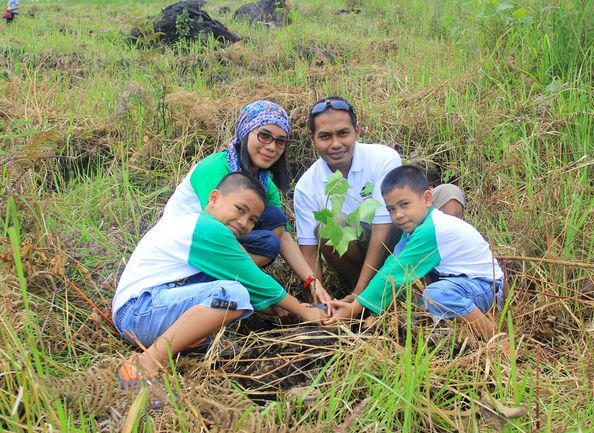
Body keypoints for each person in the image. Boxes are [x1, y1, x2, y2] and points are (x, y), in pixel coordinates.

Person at [113, 173, 327, 387]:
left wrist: (278, 310)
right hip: (138, 311)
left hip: (150, 310)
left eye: (253, 220)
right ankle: (144, 364)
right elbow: (257, 281)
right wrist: (303, 311)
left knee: (231, 321)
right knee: (233, 295)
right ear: (214, 198)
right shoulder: (205, 228)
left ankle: (193, 343)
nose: (244, 223)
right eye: (240, 209)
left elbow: (249, 284)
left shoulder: (203, 229)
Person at [163, 99, 331, 310]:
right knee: (266, 239)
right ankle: (215, 282)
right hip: (187, 254)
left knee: (273, 228)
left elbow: (284, 235)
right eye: (264, 135)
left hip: (219, 248)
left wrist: (312, 282)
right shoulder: (214, 168)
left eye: (280, 141)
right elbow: (220, 236)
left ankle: (234, 282)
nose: (271, 147)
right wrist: (269, 295)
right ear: (245, 131)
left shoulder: (263, 182)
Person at [294, 96, 466, 301]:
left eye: (343, 133)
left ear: (357, 131)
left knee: (448, 194)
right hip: (359, 255)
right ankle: (382, 292)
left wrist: (359, 295)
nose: (336, 144)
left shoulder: (382, 157)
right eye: (325, 137)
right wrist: (317, 302)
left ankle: (441, 275)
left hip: (400, 235)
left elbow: (382, 230)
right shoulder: (306, 187)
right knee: (329, 227)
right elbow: (309, 253)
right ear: (313, 139)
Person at [325, 165, 506, 351]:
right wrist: (363, 300)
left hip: (485, 287)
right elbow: (393, 264)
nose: (398, 215)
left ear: (427, 199)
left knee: (435, 296)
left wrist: (356, 307)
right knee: (414, 300)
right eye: (391, 209)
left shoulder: (431, 230)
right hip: (460, 282)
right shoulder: (415, 229)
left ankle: (496, 339)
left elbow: (395, 273)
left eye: (404, 205)